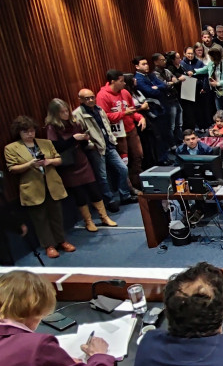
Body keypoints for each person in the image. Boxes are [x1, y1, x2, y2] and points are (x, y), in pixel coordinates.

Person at [4, 117, 75, 258]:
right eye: (26, 132)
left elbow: (59, 159)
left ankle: (62, 241)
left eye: (32, 130)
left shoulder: (45, 143)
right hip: (32, 187)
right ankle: (49, 245)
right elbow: (12, 169)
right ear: (19, 132)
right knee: (40, 219)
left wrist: (49, 161)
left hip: (52, 184)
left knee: (57, 215)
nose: (30, 134)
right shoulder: (11, 148)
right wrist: (30, 164)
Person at [45, 98, 117, 233]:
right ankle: (88, 221)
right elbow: (56, 147)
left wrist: (85, 139)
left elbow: (82, 144)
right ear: (55, 114)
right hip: (68, 164)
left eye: (67, 110)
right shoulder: (52, 128)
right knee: (80, 194)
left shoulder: (74, 123)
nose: (66, 114)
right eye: (62, 112)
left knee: (94, 189)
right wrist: (74, 139)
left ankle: (104, 217)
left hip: (81, 159)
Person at [72, 88, 134, 211]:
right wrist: (90, 145)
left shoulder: (99, 109)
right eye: (87, 98)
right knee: (102, 177)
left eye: (92, 97)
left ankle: (125, 195)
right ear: (80, 100)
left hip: (109, 145)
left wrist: (112, 139)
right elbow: (80, 133)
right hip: (96, 148)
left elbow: (106, 125)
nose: (90, 100)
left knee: (123, 169)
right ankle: (109, 201)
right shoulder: (77, 114)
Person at [96, 69, 146, 190]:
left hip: (131, 129)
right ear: (113, 81)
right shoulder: (102, 96)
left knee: (138, 156)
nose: (124, 83)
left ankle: (138, 183)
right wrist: (123, 113)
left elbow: (132, 110)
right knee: (124, 162)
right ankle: (128, 188)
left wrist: (140, 117)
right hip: (118, 134)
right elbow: (105, 117)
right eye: (121, 81)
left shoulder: (125, 92)